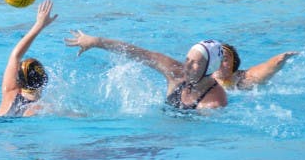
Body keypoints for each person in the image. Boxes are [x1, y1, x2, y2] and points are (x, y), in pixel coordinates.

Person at [65, 31, 228, 111]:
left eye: (195, 63)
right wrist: (96, 41)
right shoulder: (176, 73)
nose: (187, 66)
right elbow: (140, 53)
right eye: (187, 59)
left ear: (210, 67)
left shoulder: (213, 104)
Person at [0, 0, 57, 117]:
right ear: (44, 81)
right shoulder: (43, 108)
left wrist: (39, 25)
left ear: (18, 80)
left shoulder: (9, 93)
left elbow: (15, 55)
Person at [214, 43, 299, 90]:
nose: (218, 63)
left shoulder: (244, 78)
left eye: (224, 59)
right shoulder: (206, 80)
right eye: (214, 59)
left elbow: (266, 68)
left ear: (234, 63)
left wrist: (277, 61)